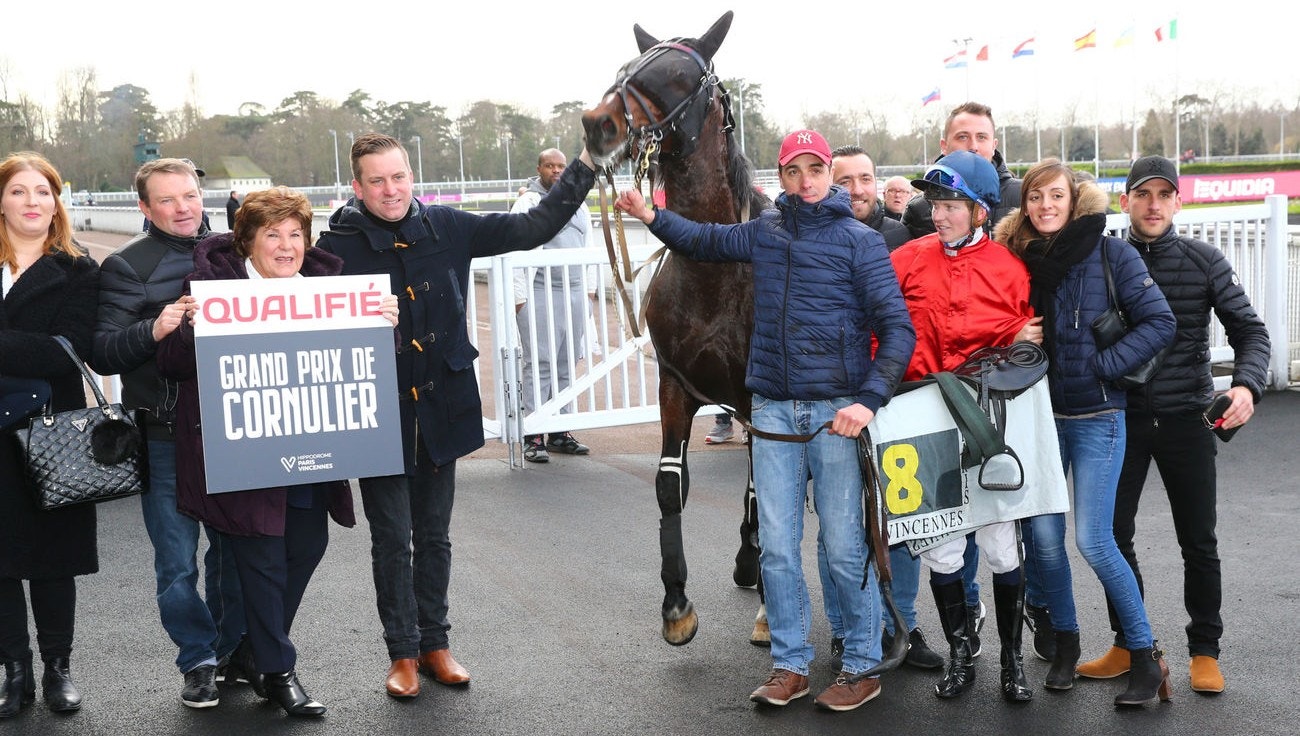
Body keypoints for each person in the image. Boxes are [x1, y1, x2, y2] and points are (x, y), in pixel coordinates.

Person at [615, 129, 916, 712]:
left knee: (843, 548)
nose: (806, 182)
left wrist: (868, 401)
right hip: (774, 412)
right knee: (777, 548)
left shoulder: (860, 242)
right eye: (794, 171)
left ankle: (860, 663)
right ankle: (790, 663)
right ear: (781, 177)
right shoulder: (766, 232)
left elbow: (898, 330)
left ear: (830, 174)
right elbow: (702, 238)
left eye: (816, 170)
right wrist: (652, 214)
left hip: (836, 415)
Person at [315, 133, 598, 698]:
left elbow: (534, 226)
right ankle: (402, 654)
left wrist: (588, 163)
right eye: (377, 180)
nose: (390, 190)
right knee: (392, 538)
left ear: (411, 176)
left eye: (398, 177)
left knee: (436, 536)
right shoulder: (333, 247)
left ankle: (436, 644)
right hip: (378, 415)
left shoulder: (448, 226)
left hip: (441, 405)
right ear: (357, 186)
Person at [156, 188, 396, 716]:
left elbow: (365, 365)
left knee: (305, 548)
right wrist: (186, 326)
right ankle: (280, 672)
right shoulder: (213, 289)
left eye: (295, 235)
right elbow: (171, 366)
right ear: (247, 240)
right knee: (262, 558)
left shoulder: (329, 287)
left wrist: (382, 325)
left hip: (310, 454)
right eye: (272, 234)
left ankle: (249, 652)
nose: (286, 247)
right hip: (242, 456)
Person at [1075, 156, 1271, 695]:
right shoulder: (1102, 260)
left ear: (1179, 202)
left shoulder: (1204, 260)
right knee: (1112, 536)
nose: (1153, 204)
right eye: (1143, 194)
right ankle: (1128, 644)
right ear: (1125, 202)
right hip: (1118, 417)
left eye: (1164, 194)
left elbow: (1251, 333)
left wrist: (1248, 386)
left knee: (1198, 541)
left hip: (1186, 415)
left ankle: (1204, 650)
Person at [995, 158, 1177, 707]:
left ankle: (1146, 657)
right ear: (1024, 205)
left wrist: (1103, 366)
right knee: (1043, 543)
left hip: (1099, 417)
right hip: (1040, 419)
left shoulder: (1110, 252)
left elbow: (1160, 321)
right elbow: (990, 331)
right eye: (1035, 197)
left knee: (1094, 540)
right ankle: (1067, 644)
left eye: (1055, 196)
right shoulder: (1017, 261)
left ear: (1074, 200)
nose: (1045, 207)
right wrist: (1012, 332)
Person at [91, 158, 245, 709]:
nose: (183, 208)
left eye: (190, 195)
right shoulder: (126, 266)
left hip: (233, 431)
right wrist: (154, 328)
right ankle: (198, 659)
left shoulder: (234, 252)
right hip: (163, 433)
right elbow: (103, 349)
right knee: (177, 561)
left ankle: (231, 652)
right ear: (144, 207)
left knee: (234, 553)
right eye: (167, 199)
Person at [896, 150, 1041, 702]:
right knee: (944, 549)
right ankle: (961, 656)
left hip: (986, 421)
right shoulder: (908, 258)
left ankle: (1011, 661)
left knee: (1003, 546)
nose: (940, 215)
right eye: (936, 203)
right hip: (923, 417)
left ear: (980, 211)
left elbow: (1027, 347)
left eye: (952, 204)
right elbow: (881, 331)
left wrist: (1011, 340)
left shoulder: (1009, 269)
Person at [818, 145, 941, 676]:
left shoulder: (904, 238)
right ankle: (847, 631)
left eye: (864, 178)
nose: (857, 190)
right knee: (838, 527)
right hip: (835, 403)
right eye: (844, 180)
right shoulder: (807, 237)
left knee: (903, 519)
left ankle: (902, 625)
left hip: (896, 396)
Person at [0, 152, 100, 717]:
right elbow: (42, 347)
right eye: (19, 191)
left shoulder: (78, 270)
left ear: (57, 201)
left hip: (50, 434)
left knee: (52, 559)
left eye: (44, 191)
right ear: (2, 200)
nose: (33, 201)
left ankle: (57, 666)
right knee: (1, 560)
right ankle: (15, 672)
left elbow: (67, 351)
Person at [512, 149, 594, 463]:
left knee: (566, 364)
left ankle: (562, 430)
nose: (557, 171)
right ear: (539, 168)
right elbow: (518, 254)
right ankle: (533, 433)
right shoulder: (529, 203)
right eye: (550, 166)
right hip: (539, 293)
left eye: (562, 166)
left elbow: (589, 249)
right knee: (540, 363)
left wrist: (588, 294)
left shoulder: (580, 205)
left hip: (574, 293)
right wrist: (520, 300)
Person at [903, 102, 1022, 240]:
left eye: (981, 137)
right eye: (963, 137)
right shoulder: (918, 208)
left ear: (994, 145)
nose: (973, 146)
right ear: (944, 146)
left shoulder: (1025, 197)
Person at [830, 146, 910, 250]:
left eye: (865, 179)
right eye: (845, 182)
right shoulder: (811, 238)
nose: (858, 191)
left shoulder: (899, 235)